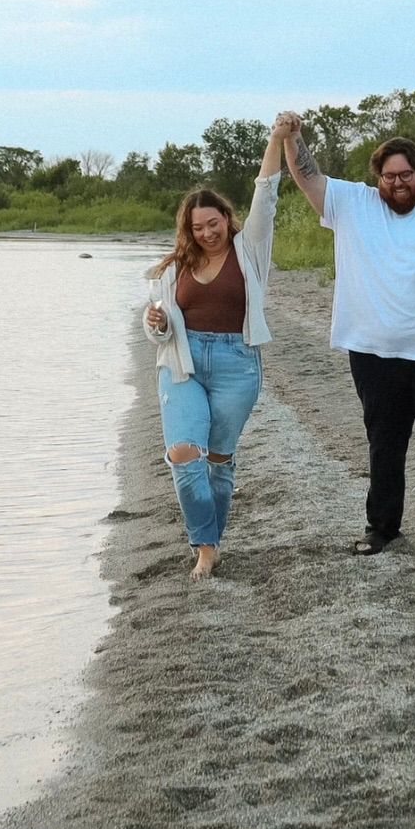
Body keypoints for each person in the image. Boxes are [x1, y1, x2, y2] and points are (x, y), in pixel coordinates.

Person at [275, 112, 415, 555]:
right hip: (375, 350)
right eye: (390, 176)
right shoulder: (352, 205)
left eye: (406, 175)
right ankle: (382, 527)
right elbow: (307, 176)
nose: (398, 183)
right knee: (385, 439)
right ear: (378, 178)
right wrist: (292, 136)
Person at [143, 125, 285, 579]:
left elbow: (266, 194)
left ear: (227, 218)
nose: (206, 233)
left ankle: (214, 541)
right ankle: (204, 546)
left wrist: (277, 139)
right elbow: (162, 328)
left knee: (220, 460)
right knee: (185, 453)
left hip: (235, 366)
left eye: (213, 224)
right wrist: (158, 323)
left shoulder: (251, 250)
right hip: (182, 366)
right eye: (196, 227)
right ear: (187, 229)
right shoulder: (174, 267)